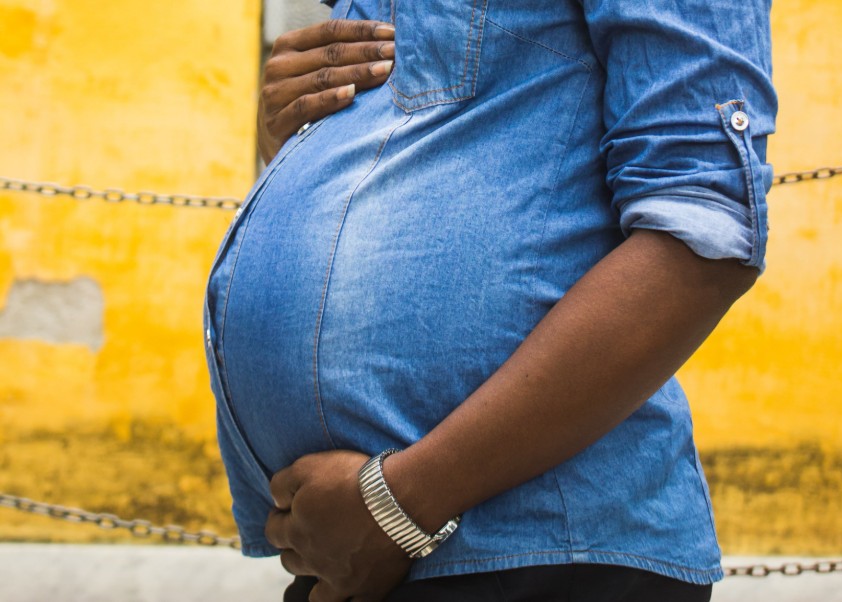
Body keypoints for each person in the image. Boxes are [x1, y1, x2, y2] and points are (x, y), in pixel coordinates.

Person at [203, 1, 776, 600]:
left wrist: (400, 504)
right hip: (347, 548)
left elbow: (702, 231)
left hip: (534, 552)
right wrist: (302, 135)